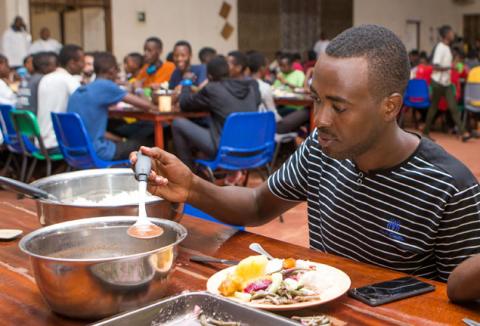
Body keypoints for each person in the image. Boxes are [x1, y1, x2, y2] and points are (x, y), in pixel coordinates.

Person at [131, 25, 480, 283]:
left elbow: (458, 300)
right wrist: (192, 187)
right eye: (317, 99)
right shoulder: (321, 149)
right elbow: (256, 205)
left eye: (339, 107)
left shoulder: (449, 188)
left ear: (390, 107)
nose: (321, 120)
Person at [172, 55, 260, 168]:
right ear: (229, 71)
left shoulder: (212, 89)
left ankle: (187, 174)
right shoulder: (251, 86)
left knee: (178, 123)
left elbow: (184, 104)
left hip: (226, 149)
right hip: (254, 147)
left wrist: (186, 83)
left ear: (209, 76)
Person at [67, 52, 156, 161]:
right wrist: (138, 88)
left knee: (125, 130)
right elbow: (147, 106)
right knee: (148, 142)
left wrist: (121, 140)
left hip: (76, 150)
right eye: (117, 68)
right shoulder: (106, 86)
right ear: (112, 70)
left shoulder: (81, 90)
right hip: (98, 151)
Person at [423, 25, 470, 141]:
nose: (453, 35)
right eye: (451, 33)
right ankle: (425, 132)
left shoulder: (447, 47)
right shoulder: (440, 47)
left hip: (446, 83)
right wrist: (451, 67)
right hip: (438, 82)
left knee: (453, 107)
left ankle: (463, 132)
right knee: (433, 107)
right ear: (446, 35)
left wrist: (451, 67)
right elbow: (435, 66)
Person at [37, 44, 84, 154]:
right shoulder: (68, 80)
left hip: (41, 141)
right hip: (57, 143)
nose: (84, 66)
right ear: (72, 63)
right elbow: (86, 103)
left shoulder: (45, 78)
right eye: (82, 61)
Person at [247, 51, 309, 134]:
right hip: (267, 126)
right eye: (267, 66)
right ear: (261, 68)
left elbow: (302, 89)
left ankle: (295, 136)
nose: (268, 68)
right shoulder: (264, 86)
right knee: (307, 112)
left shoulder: (241, 84)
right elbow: (274, 115)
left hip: (252, 124)